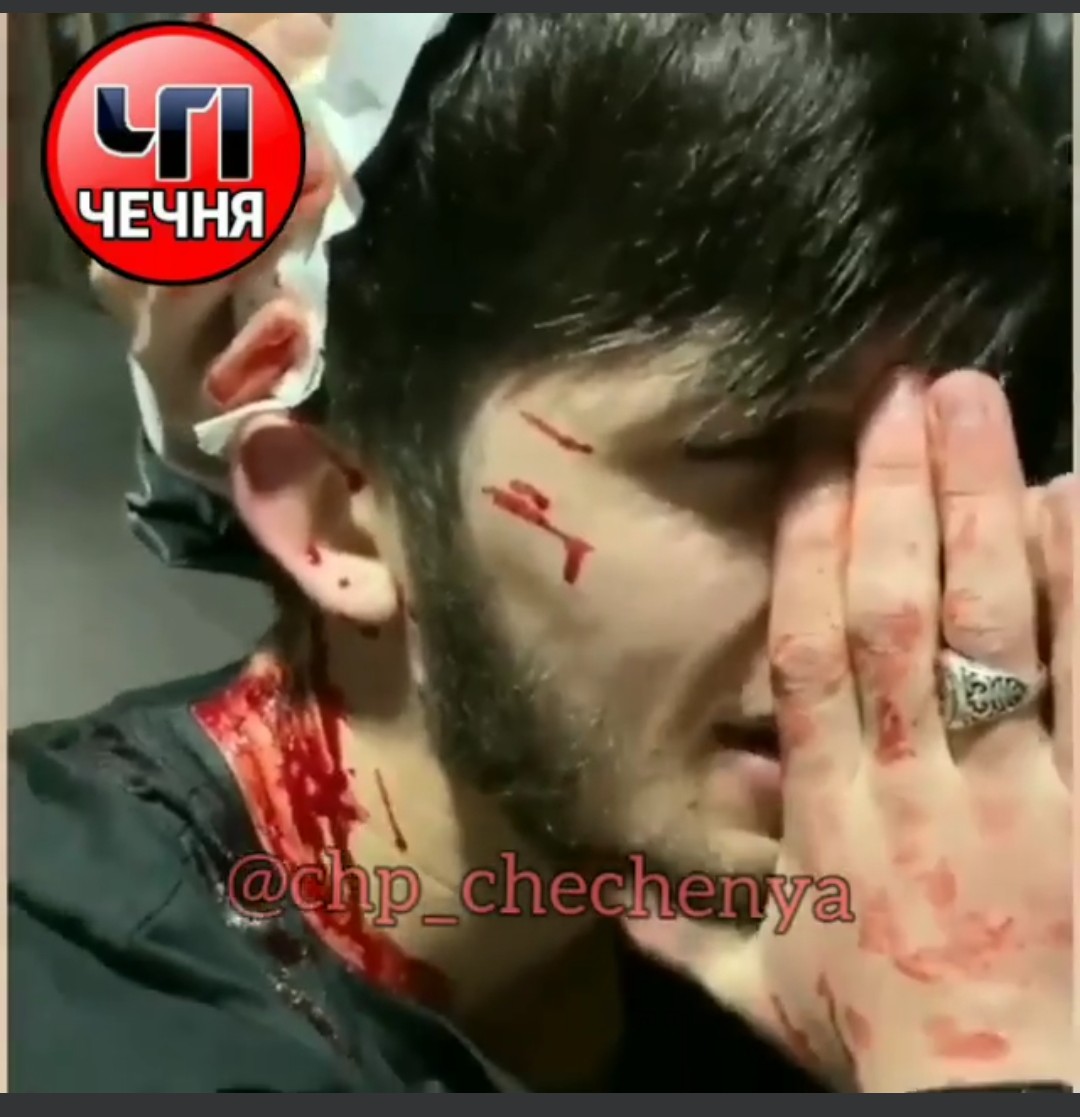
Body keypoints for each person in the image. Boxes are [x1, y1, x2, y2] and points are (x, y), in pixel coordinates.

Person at [10, 13, 1073, 1093]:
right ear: (338, 511)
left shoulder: (836, 932)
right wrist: (988, 1060)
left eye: (939, 454)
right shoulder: (74, 1014)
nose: (887, 583)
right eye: (739, 447)